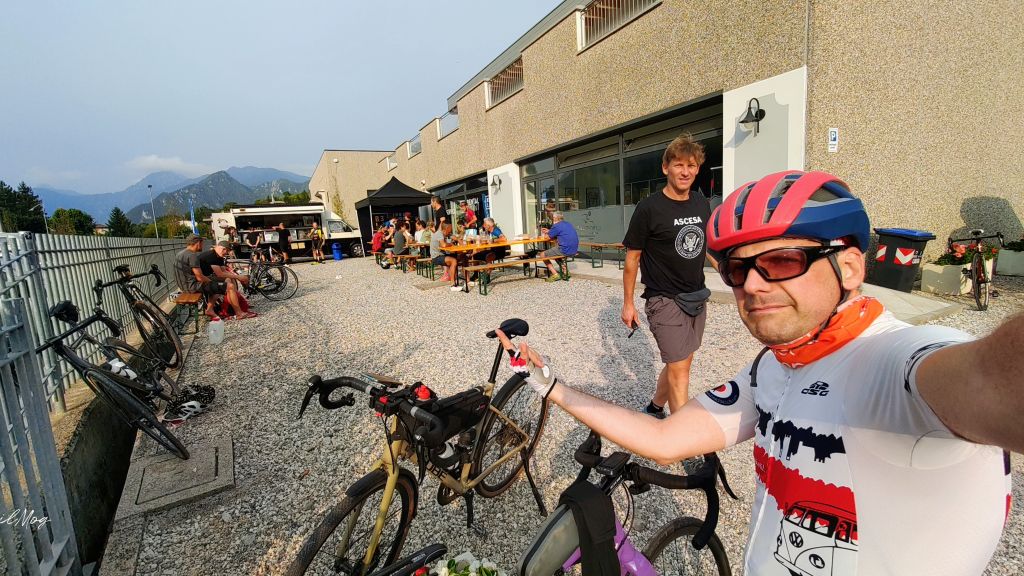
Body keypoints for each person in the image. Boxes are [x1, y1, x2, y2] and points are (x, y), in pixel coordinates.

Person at [500, 170, 1020, 575]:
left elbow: (996, 377)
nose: (751, 284)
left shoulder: (895, 363)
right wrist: (552, 386)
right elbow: (664, 438)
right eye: (737, 268)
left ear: (850, 267)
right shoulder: (775, 366)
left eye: (783, 260)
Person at [621, 133, 717, 418]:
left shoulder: (700, 203)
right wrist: (628, 303)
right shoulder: (649, 208)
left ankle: (654, 408)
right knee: (680, 370)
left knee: (681, 362)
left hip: (696, 296)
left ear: (697, 169)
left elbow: (707, 245)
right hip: (664, 299)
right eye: (678, 165)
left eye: (691, 165)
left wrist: (729, 271)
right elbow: (632, 258)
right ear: (666, 168)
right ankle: (682, 436)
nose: (685, 172)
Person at [199, 241, 255, 319]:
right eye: (227, 251)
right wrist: (239, 277)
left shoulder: (218, 256)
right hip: (200, 281)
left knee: (229, 279)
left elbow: (224, 271)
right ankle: (239, 313)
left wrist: (237, 277)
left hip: (206, 278)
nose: (226, 253)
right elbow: (220, 274)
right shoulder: (211, 256)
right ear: (223, 249)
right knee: (229, 286)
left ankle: (235, 303)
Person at [539, 211, 579, 282]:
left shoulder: (556, 226)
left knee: (542, 254)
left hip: (565, 249)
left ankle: (555, 274)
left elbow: (547, 237)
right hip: (574, 249)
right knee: (555, 253)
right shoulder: (568, 224)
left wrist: (545, 234)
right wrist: (549, 231)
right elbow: (560, 232)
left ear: (555, 218)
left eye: (553, 218)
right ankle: (565, 272)